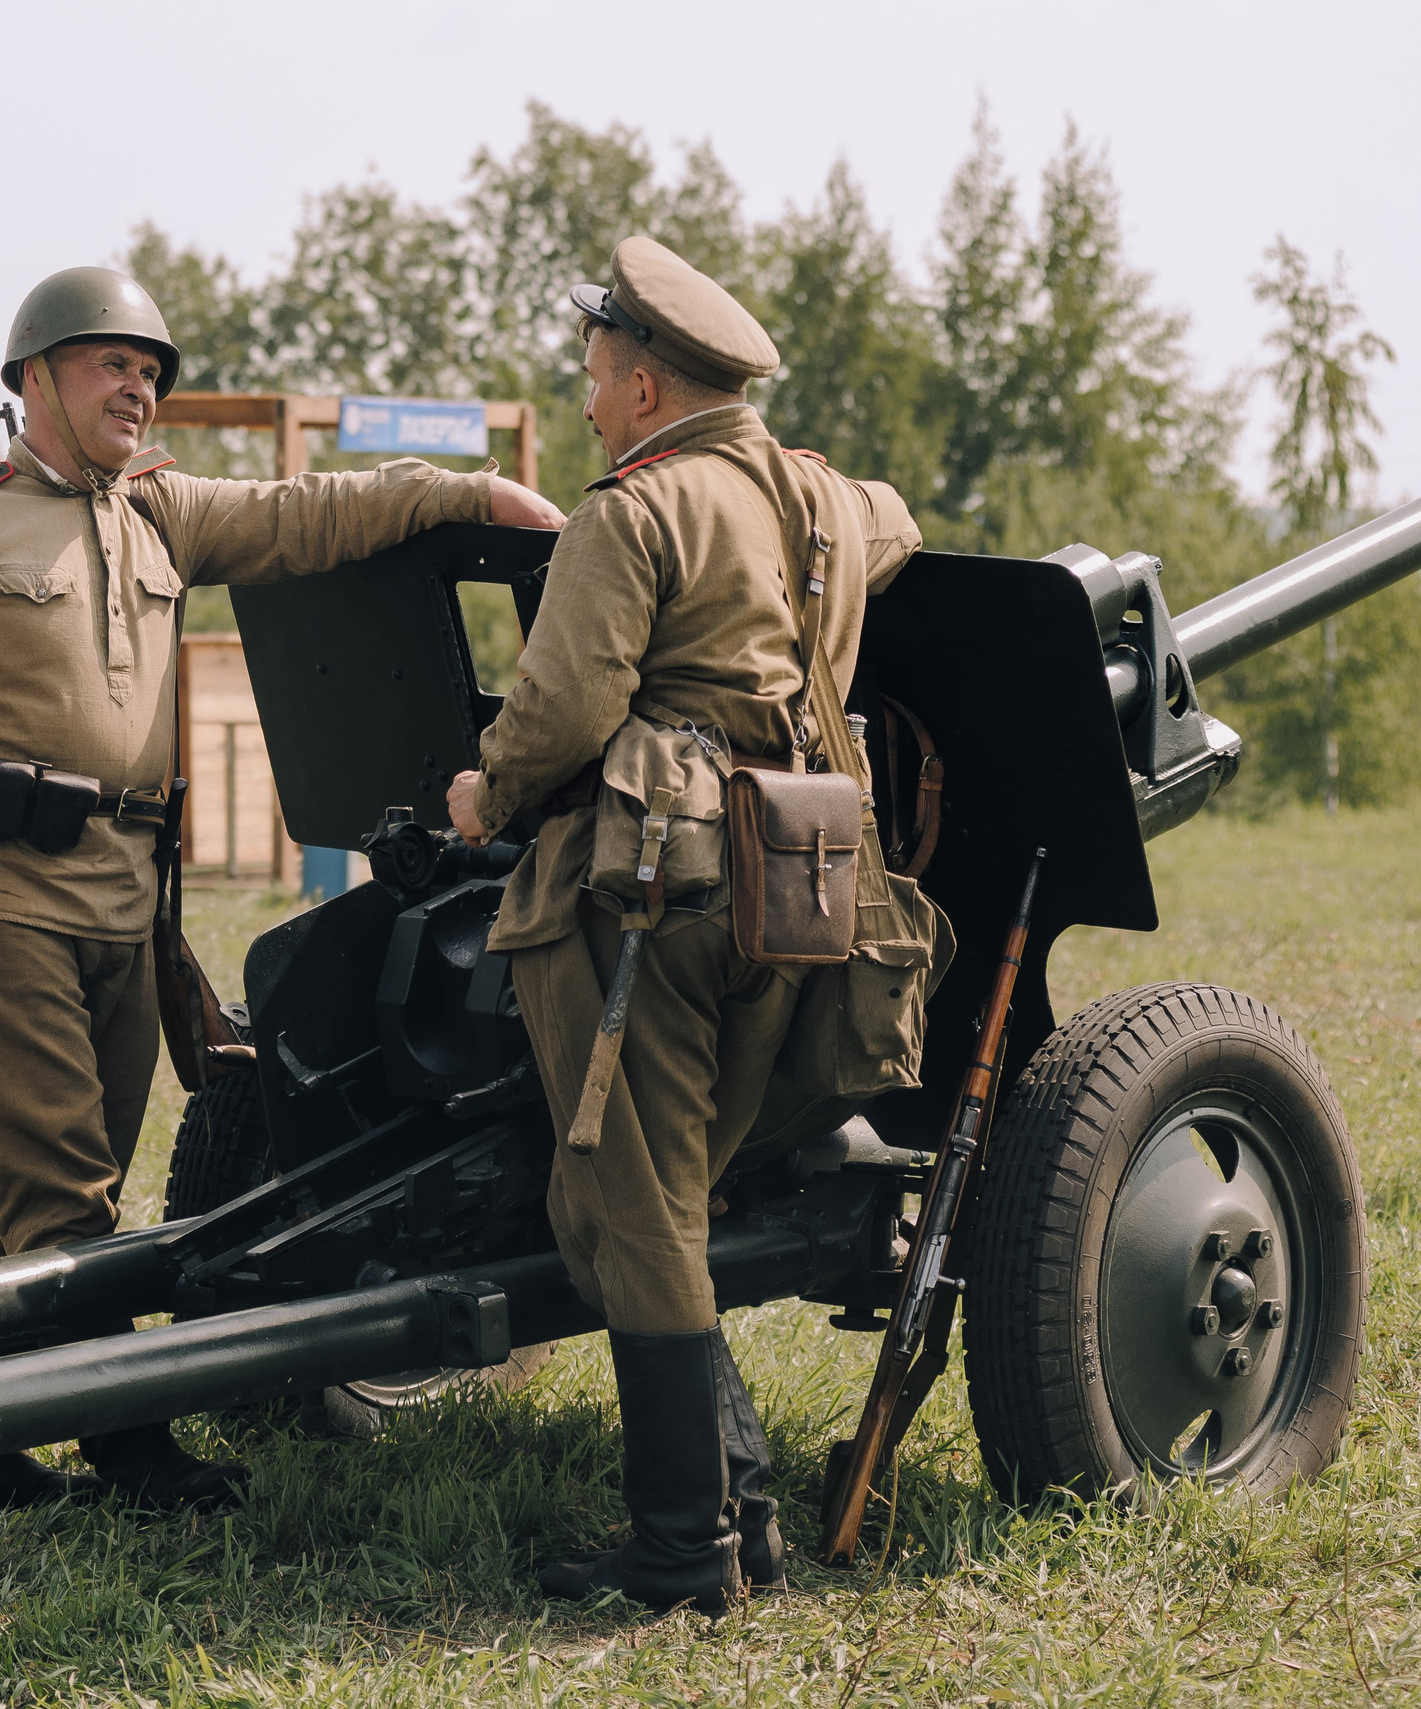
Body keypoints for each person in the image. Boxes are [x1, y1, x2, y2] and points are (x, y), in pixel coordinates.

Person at [0, 265, 565, 1514]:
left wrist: (466, 492)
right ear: (32, 379)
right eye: (109, 366)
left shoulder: (157, 511)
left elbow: (307, 512)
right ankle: (128, 1444)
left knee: (47, 1194)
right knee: (64, 1191)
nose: (136, 389)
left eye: (150, 372)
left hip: (125, 906)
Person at [445, 236, 923, 1614]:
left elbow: (563, 717)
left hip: (651, 897)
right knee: (674, 1195)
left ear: (648, 389)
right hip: (792, 891)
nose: (590, 405)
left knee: (636, 1205)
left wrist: (486, 791)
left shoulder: (633, 512)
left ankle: (682, 1551)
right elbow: (896, 524)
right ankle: (742, 1512)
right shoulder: (825, 503)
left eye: (598, 380)